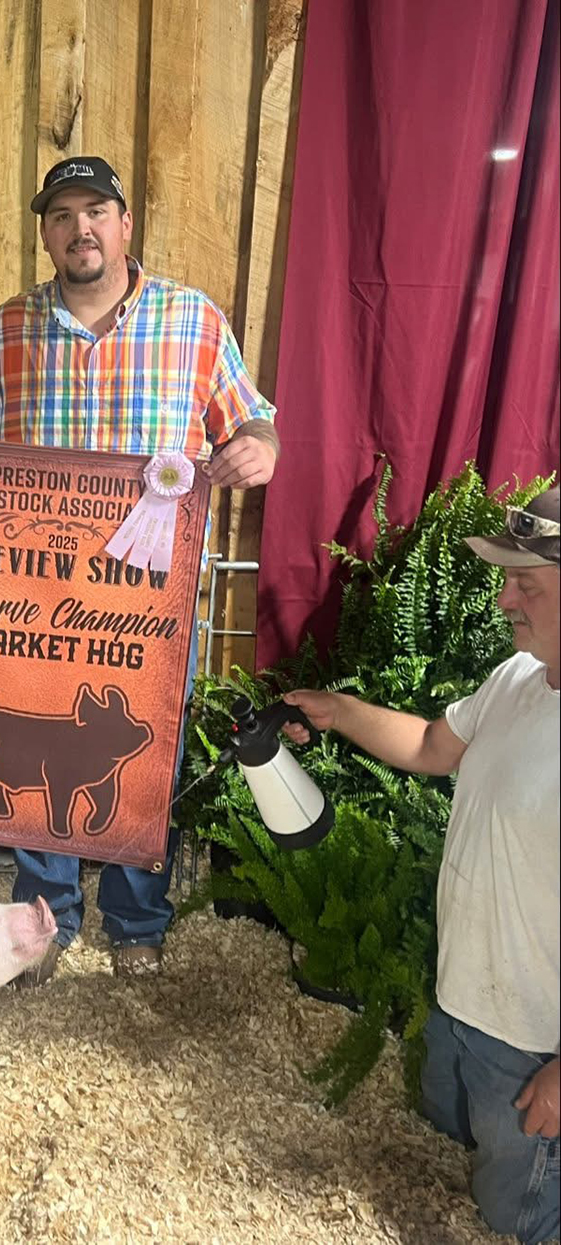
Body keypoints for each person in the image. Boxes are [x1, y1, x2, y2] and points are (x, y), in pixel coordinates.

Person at [0, 156, 279, 981]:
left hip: (153, 601)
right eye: (63, 214)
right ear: (45, 232)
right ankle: (47, 919)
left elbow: (251, 417)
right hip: (38, 599)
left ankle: (138, 921)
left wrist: (260, 447)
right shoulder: (9, 328)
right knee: (42, 753)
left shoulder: (195, 320)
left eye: (96, 211)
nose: (81, 228)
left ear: (124, 224)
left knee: (146, 759)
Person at [284, 487, 560, 1245]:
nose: (504, 596)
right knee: (451, 1130)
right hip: (464, 999)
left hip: (536, 1038)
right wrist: (340, 710)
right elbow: (430, 747)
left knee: (521, 1212)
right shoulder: (516, 682)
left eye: (525, 582)